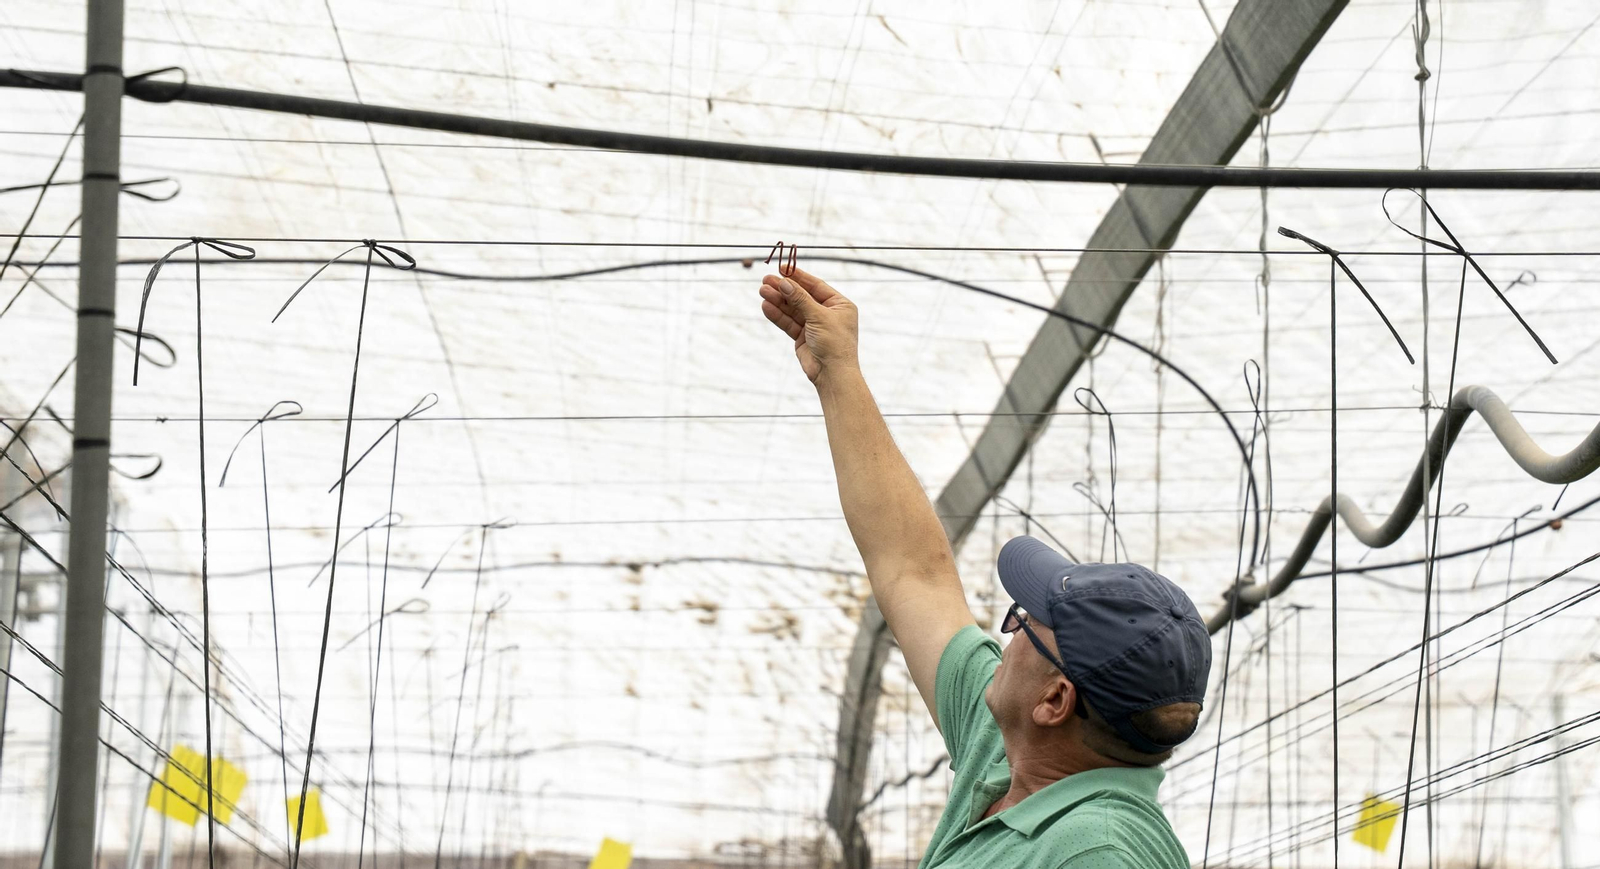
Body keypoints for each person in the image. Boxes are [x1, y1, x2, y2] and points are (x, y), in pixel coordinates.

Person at [758, 269, 1214, 869]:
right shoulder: (1007, 754)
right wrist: (837, 369)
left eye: (1024, 623)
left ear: (1055, 699)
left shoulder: (1097, 852)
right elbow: (911, 570)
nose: (1009, 634)